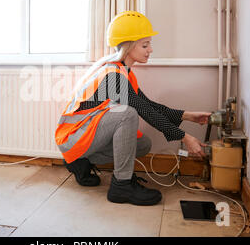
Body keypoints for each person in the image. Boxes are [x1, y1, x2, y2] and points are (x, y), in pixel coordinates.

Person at [55, 11, 211, 206]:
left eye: (149, 44)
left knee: (142, 144)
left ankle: (80, 161)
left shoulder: (123, 72)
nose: (150, 50)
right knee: (127, 114)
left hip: (85, 136)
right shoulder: (113, 75)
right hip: (73, 136)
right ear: (128, 46)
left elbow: (149, 105)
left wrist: (188, 116)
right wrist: (185, 137)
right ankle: (121, 186)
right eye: (145, 45)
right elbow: (144, 111)